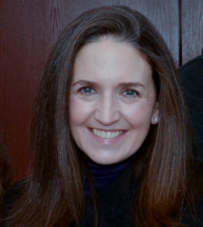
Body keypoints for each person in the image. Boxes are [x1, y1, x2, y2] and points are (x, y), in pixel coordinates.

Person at [2, 5, 203, 227]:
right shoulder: (15, 206)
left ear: (158, 108)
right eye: (87, 90)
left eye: (129, 92)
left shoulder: (195, 201)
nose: (106, 116)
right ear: (61, 101)